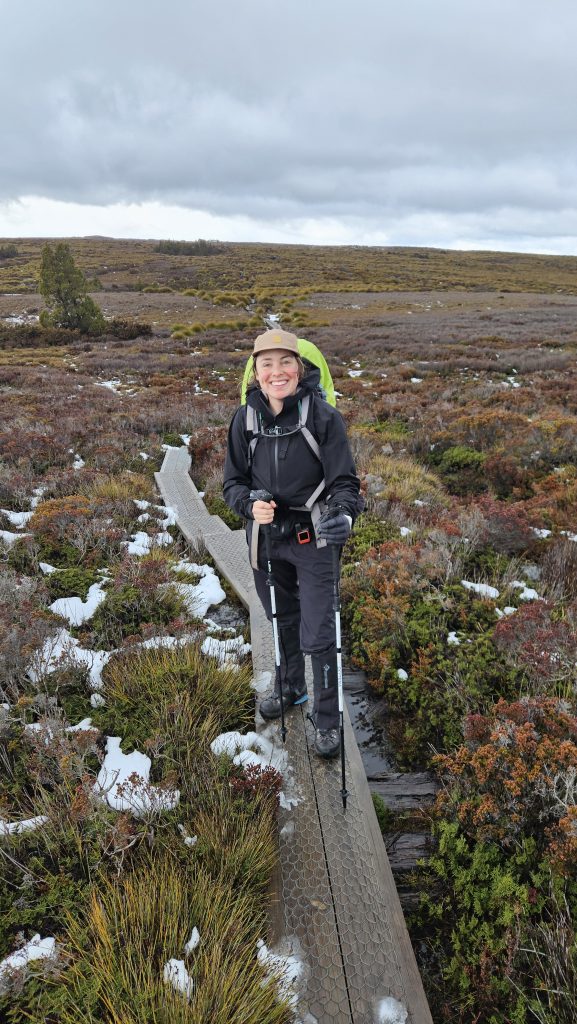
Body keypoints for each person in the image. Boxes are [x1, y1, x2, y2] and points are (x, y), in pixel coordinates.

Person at [223, 328, 360, 758]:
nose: (277, 371)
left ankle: (325, 718)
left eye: (286, 362)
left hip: (314, 539)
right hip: (266, 542)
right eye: (267, 363)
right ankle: (291, 687)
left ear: (300, 370)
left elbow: (345, 483)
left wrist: (343, 517)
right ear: (256, 373)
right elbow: (232, 484)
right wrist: (248, 505)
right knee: (280, 620)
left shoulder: (323, 417)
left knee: (318, 631)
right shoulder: (244, 420)